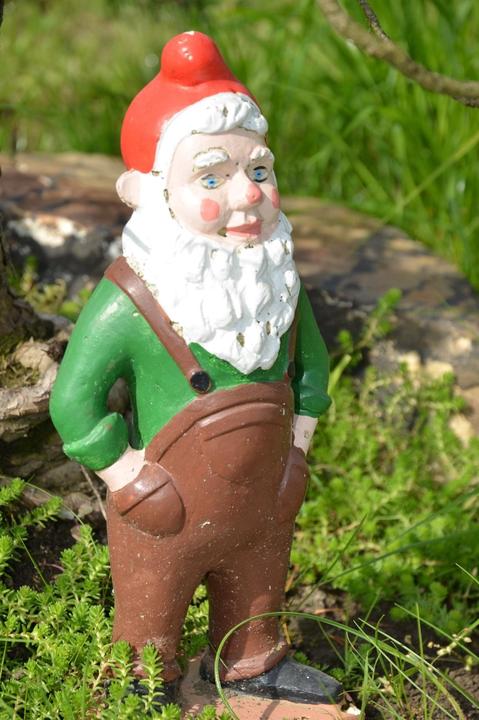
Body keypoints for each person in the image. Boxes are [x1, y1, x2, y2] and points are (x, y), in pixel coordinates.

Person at [50, 31, 341, 707]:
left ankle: (250, 663)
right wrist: (127, 477)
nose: (246, 196)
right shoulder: (133, 299)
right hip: (166, 504)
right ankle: (144, 682)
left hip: (265, 493)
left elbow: (311, 372)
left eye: (258, 172)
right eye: (211, 178)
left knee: (258, 585)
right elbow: (73, 400)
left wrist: (298, 451)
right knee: (153, 600)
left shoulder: (278, 286)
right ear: (152, 194)